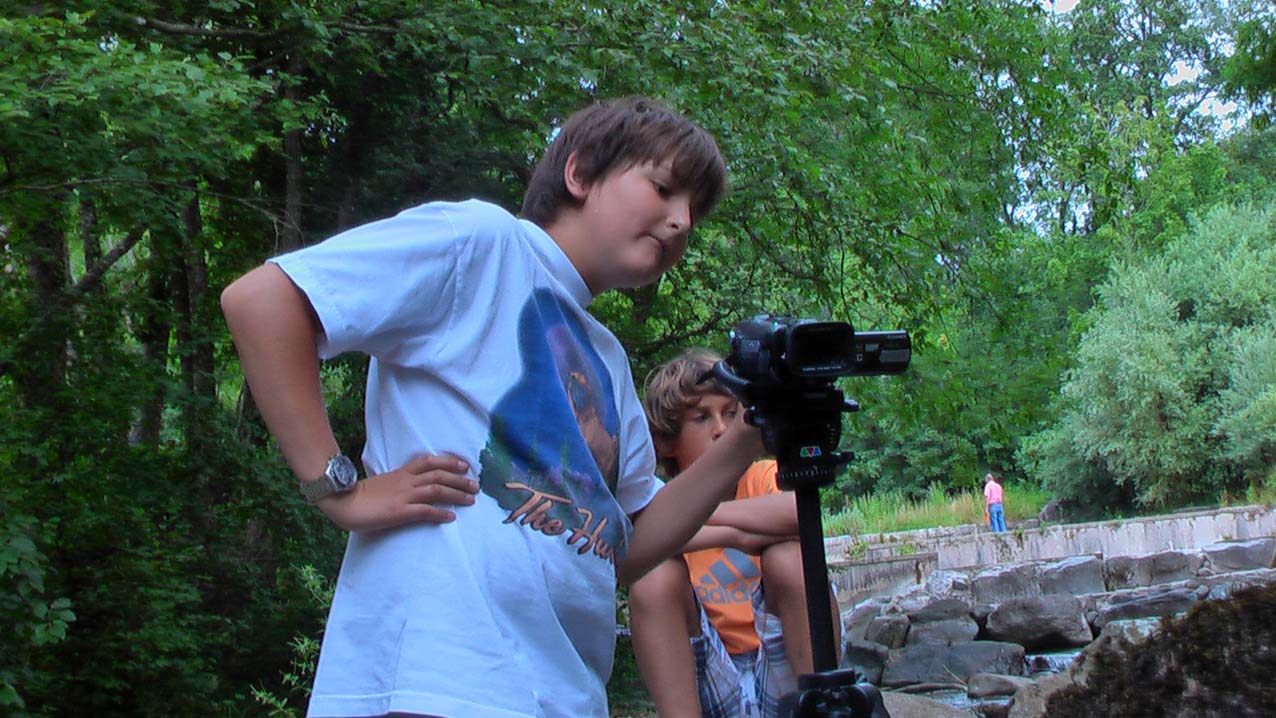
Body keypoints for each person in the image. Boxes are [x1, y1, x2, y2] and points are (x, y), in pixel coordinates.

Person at [220, 97, 765, 718]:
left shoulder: (608, 359)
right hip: (439, 679)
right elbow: (264, 302)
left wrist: (745, 441)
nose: (681, 221)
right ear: (580, 173)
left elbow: (629, 547)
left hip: (562, 693)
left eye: (694, 211)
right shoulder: (485, 243)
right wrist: (337, 487)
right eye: (663, 189)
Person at [628, 348, 842, 718]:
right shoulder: (657, 500)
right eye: (702, 417)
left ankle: (826, 705)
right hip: (714, 669)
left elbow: (801, 515)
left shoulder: (762, 476)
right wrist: (743, 533)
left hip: (778, 662)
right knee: (653, 578)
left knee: (789, 557)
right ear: (666, 441)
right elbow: (634, 548)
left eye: (731, 413)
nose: (722, 429)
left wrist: (691, 520)